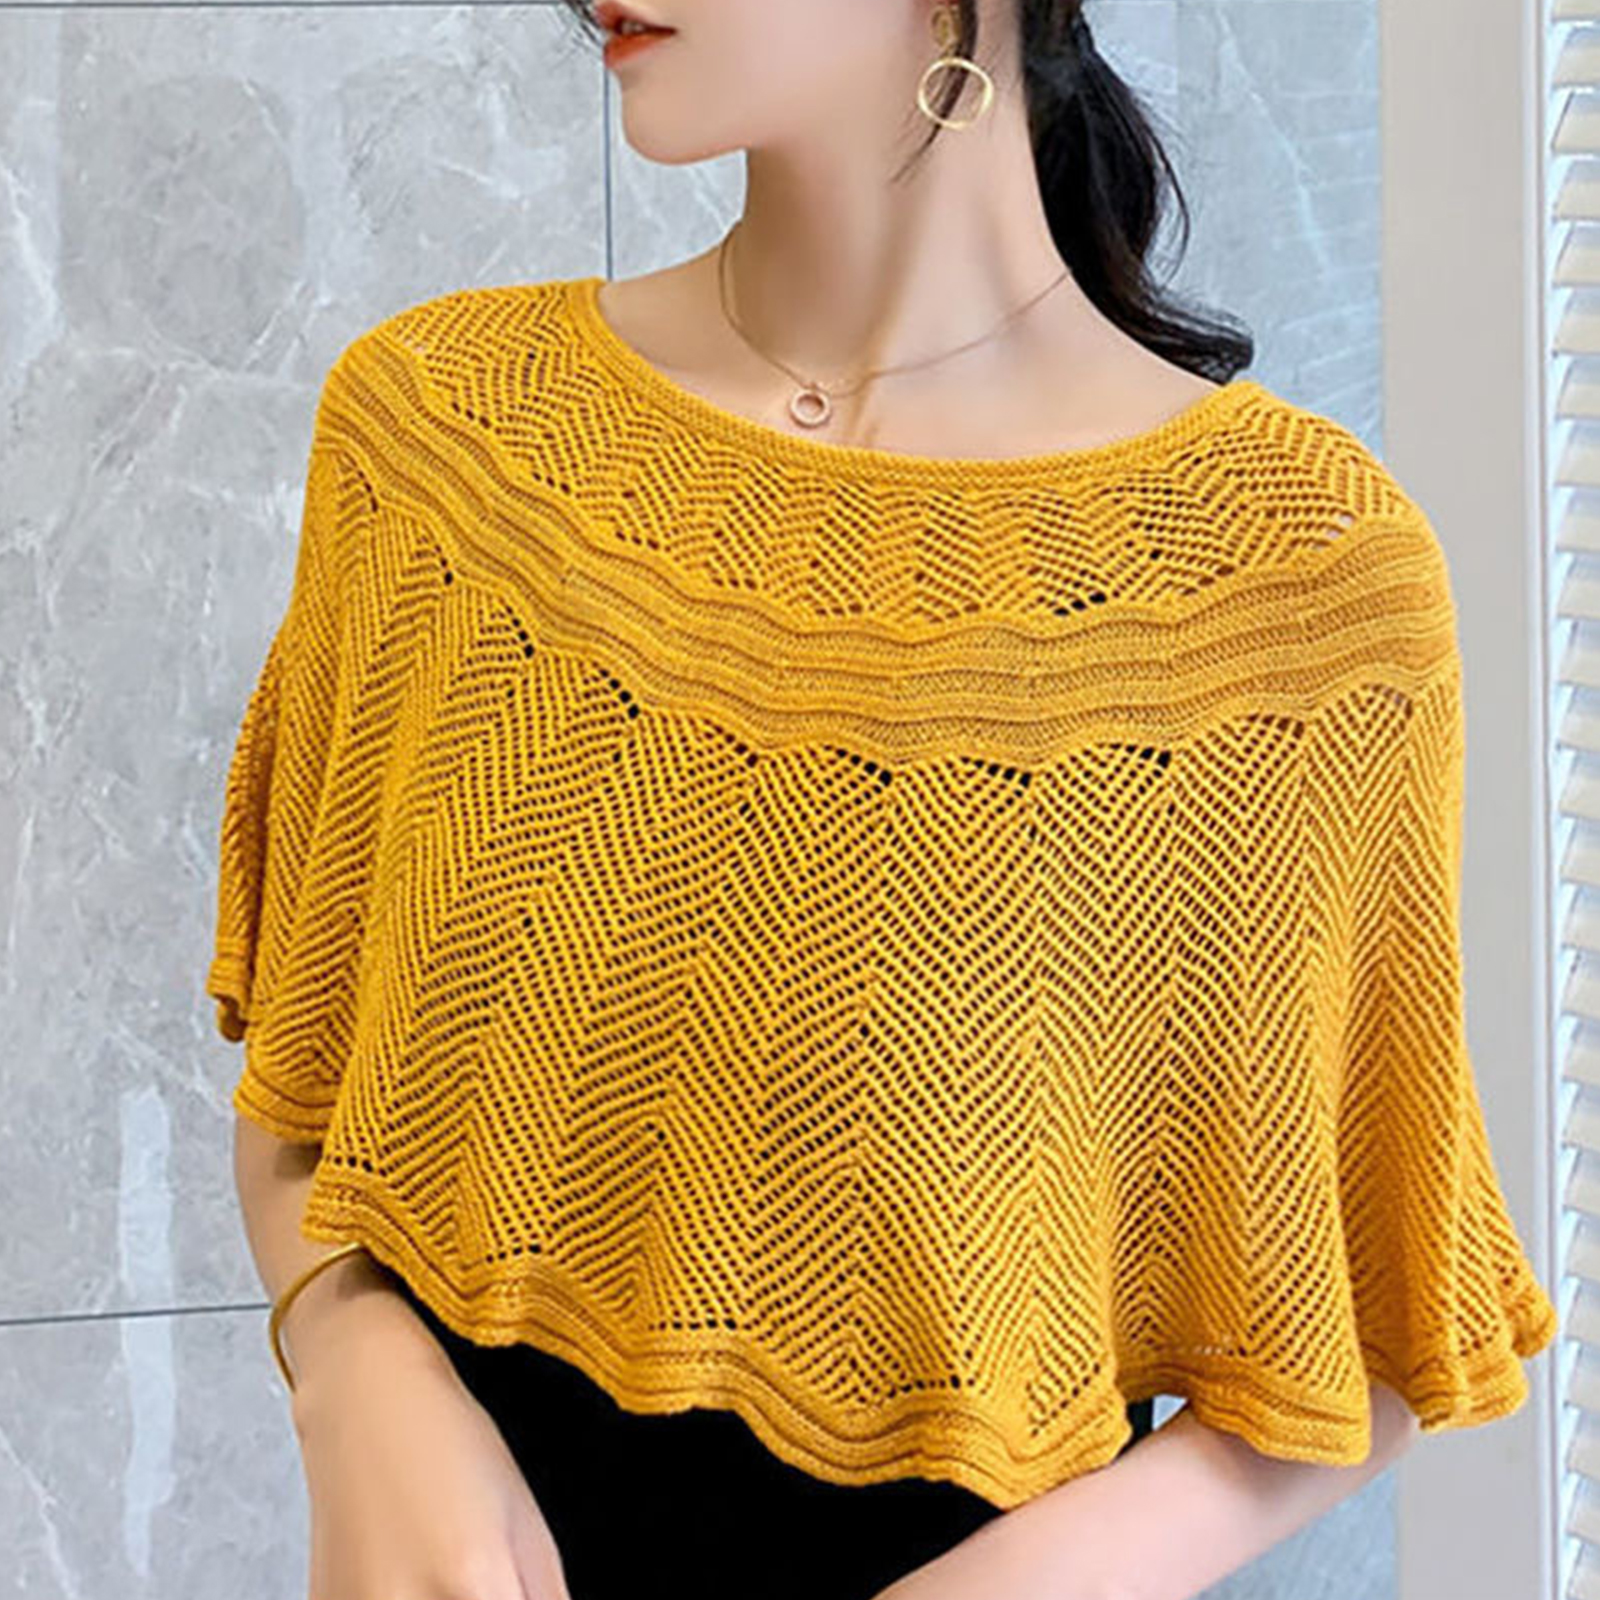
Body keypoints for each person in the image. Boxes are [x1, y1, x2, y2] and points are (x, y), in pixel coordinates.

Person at [214, 3, 1558, 1599]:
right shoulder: (444, 442)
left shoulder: (1291, 587)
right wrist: (349, 1360)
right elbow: (299, 1081)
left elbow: (1369, 1329)